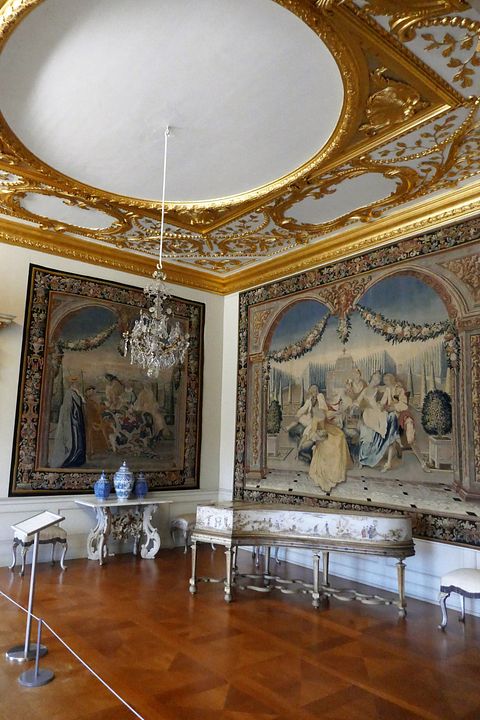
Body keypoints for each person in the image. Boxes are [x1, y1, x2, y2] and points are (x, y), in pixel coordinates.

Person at [355, 371, 401, 472]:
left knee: (381, 424)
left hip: (377, 411)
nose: (377, 380)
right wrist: (360, 406)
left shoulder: (379, 389)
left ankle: (375, 455)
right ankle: (362, 460)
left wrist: (394, 387)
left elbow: (389, 388)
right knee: (366, 432)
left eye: (379, 379)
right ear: (372, 377)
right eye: (375, 378)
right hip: (368, 412)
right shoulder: (365, 390)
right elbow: (357, 402)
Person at [299, 409, 353, 491]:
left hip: (327, 429)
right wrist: (318, 436)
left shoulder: (323, 412)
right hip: (320, 434)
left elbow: (328, 416)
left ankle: (336, 471)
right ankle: (328, 475)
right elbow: (313, 432)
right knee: (329, 446)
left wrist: (336, 414)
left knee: (340, 436)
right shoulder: (315, 419)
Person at [51, 375, 86, 467]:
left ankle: (77, 458)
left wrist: (80, 394)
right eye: (74, 383)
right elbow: (67, 408)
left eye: (76, 383)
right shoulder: (69, 393)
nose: (76, 384)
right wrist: (71, 419)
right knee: (73, 439)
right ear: (72, 383)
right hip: (72, 420)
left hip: (77, 419)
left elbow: (83, 402)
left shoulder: (76, 392)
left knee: (78, 439)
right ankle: (72, 458)